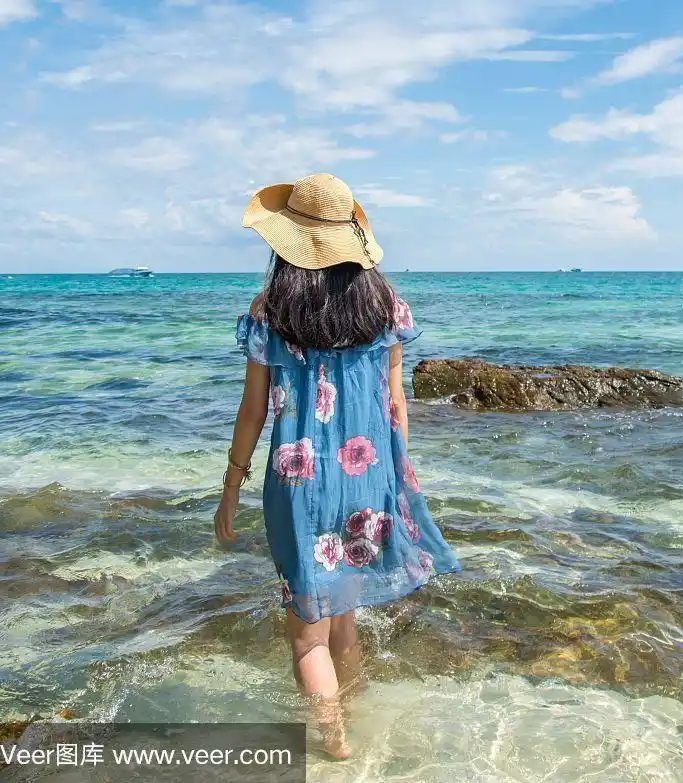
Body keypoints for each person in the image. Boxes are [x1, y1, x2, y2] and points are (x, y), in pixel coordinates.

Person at [212, 173, 460, 759]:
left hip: (298, 482)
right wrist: (394, 479)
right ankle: (357, 719)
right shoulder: (385, 306)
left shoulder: (269, 311)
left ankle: (333, 741)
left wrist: (231, 485)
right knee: (342, 616)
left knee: (307, 637)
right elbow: (396, 406)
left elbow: (253, 411)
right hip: (366, 475)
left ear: (288, 243)